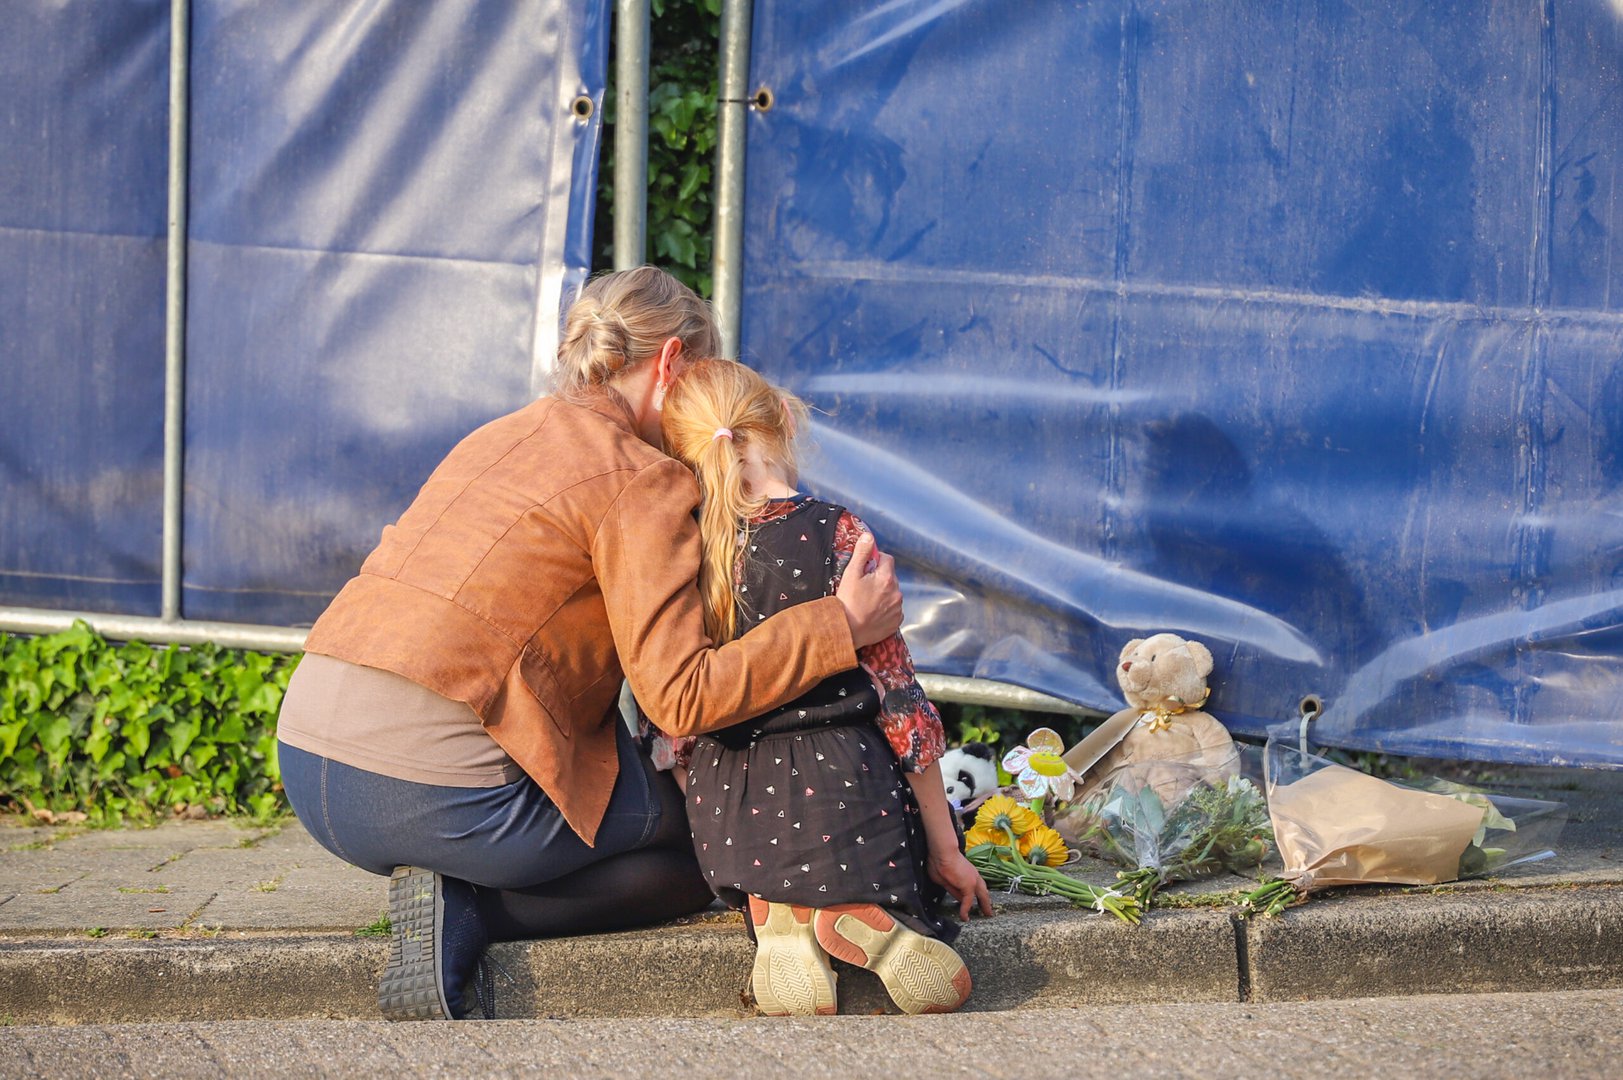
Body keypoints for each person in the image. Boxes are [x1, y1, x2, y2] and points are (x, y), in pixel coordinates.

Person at [274, 267, 905, 1021]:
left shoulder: (501, 433)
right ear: (672, 363)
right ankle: (472, 909)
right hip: (431, 794)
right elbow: (682, 696)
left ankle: (459, 887)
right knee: (707, 845)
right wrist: (839, 625)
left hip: (308, 756)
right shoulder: (642, 479)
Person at [653, 358, 993, 1017]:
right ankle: (867, 911)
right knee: (881, 832)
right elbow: (901, 707)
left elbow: (677, 726)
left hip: (730, 815)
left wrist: (712, 811)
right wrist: (945, 849)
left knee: (761, 848)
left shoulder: (683, 550)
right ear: (780, 420)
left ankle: (775, 914)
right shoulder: (838, 533)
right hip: (847, 796)